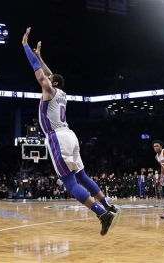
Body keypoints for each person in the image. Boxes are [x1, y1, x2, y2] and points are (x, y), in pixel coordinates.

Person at [22, 27, 121, 235]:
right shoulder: (62, 93)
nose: (46, 80)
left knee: (69, 182)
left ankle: (102, 214)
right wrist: (41, 56)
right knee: (83, 176)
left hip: (57, 137)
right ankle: (109, 205)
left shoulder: (48, 90)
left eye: (50, 79)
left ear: (53, 83)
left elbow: (40, 73)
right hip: (71, 136)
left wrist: (26, 47)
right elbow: (49, 73)